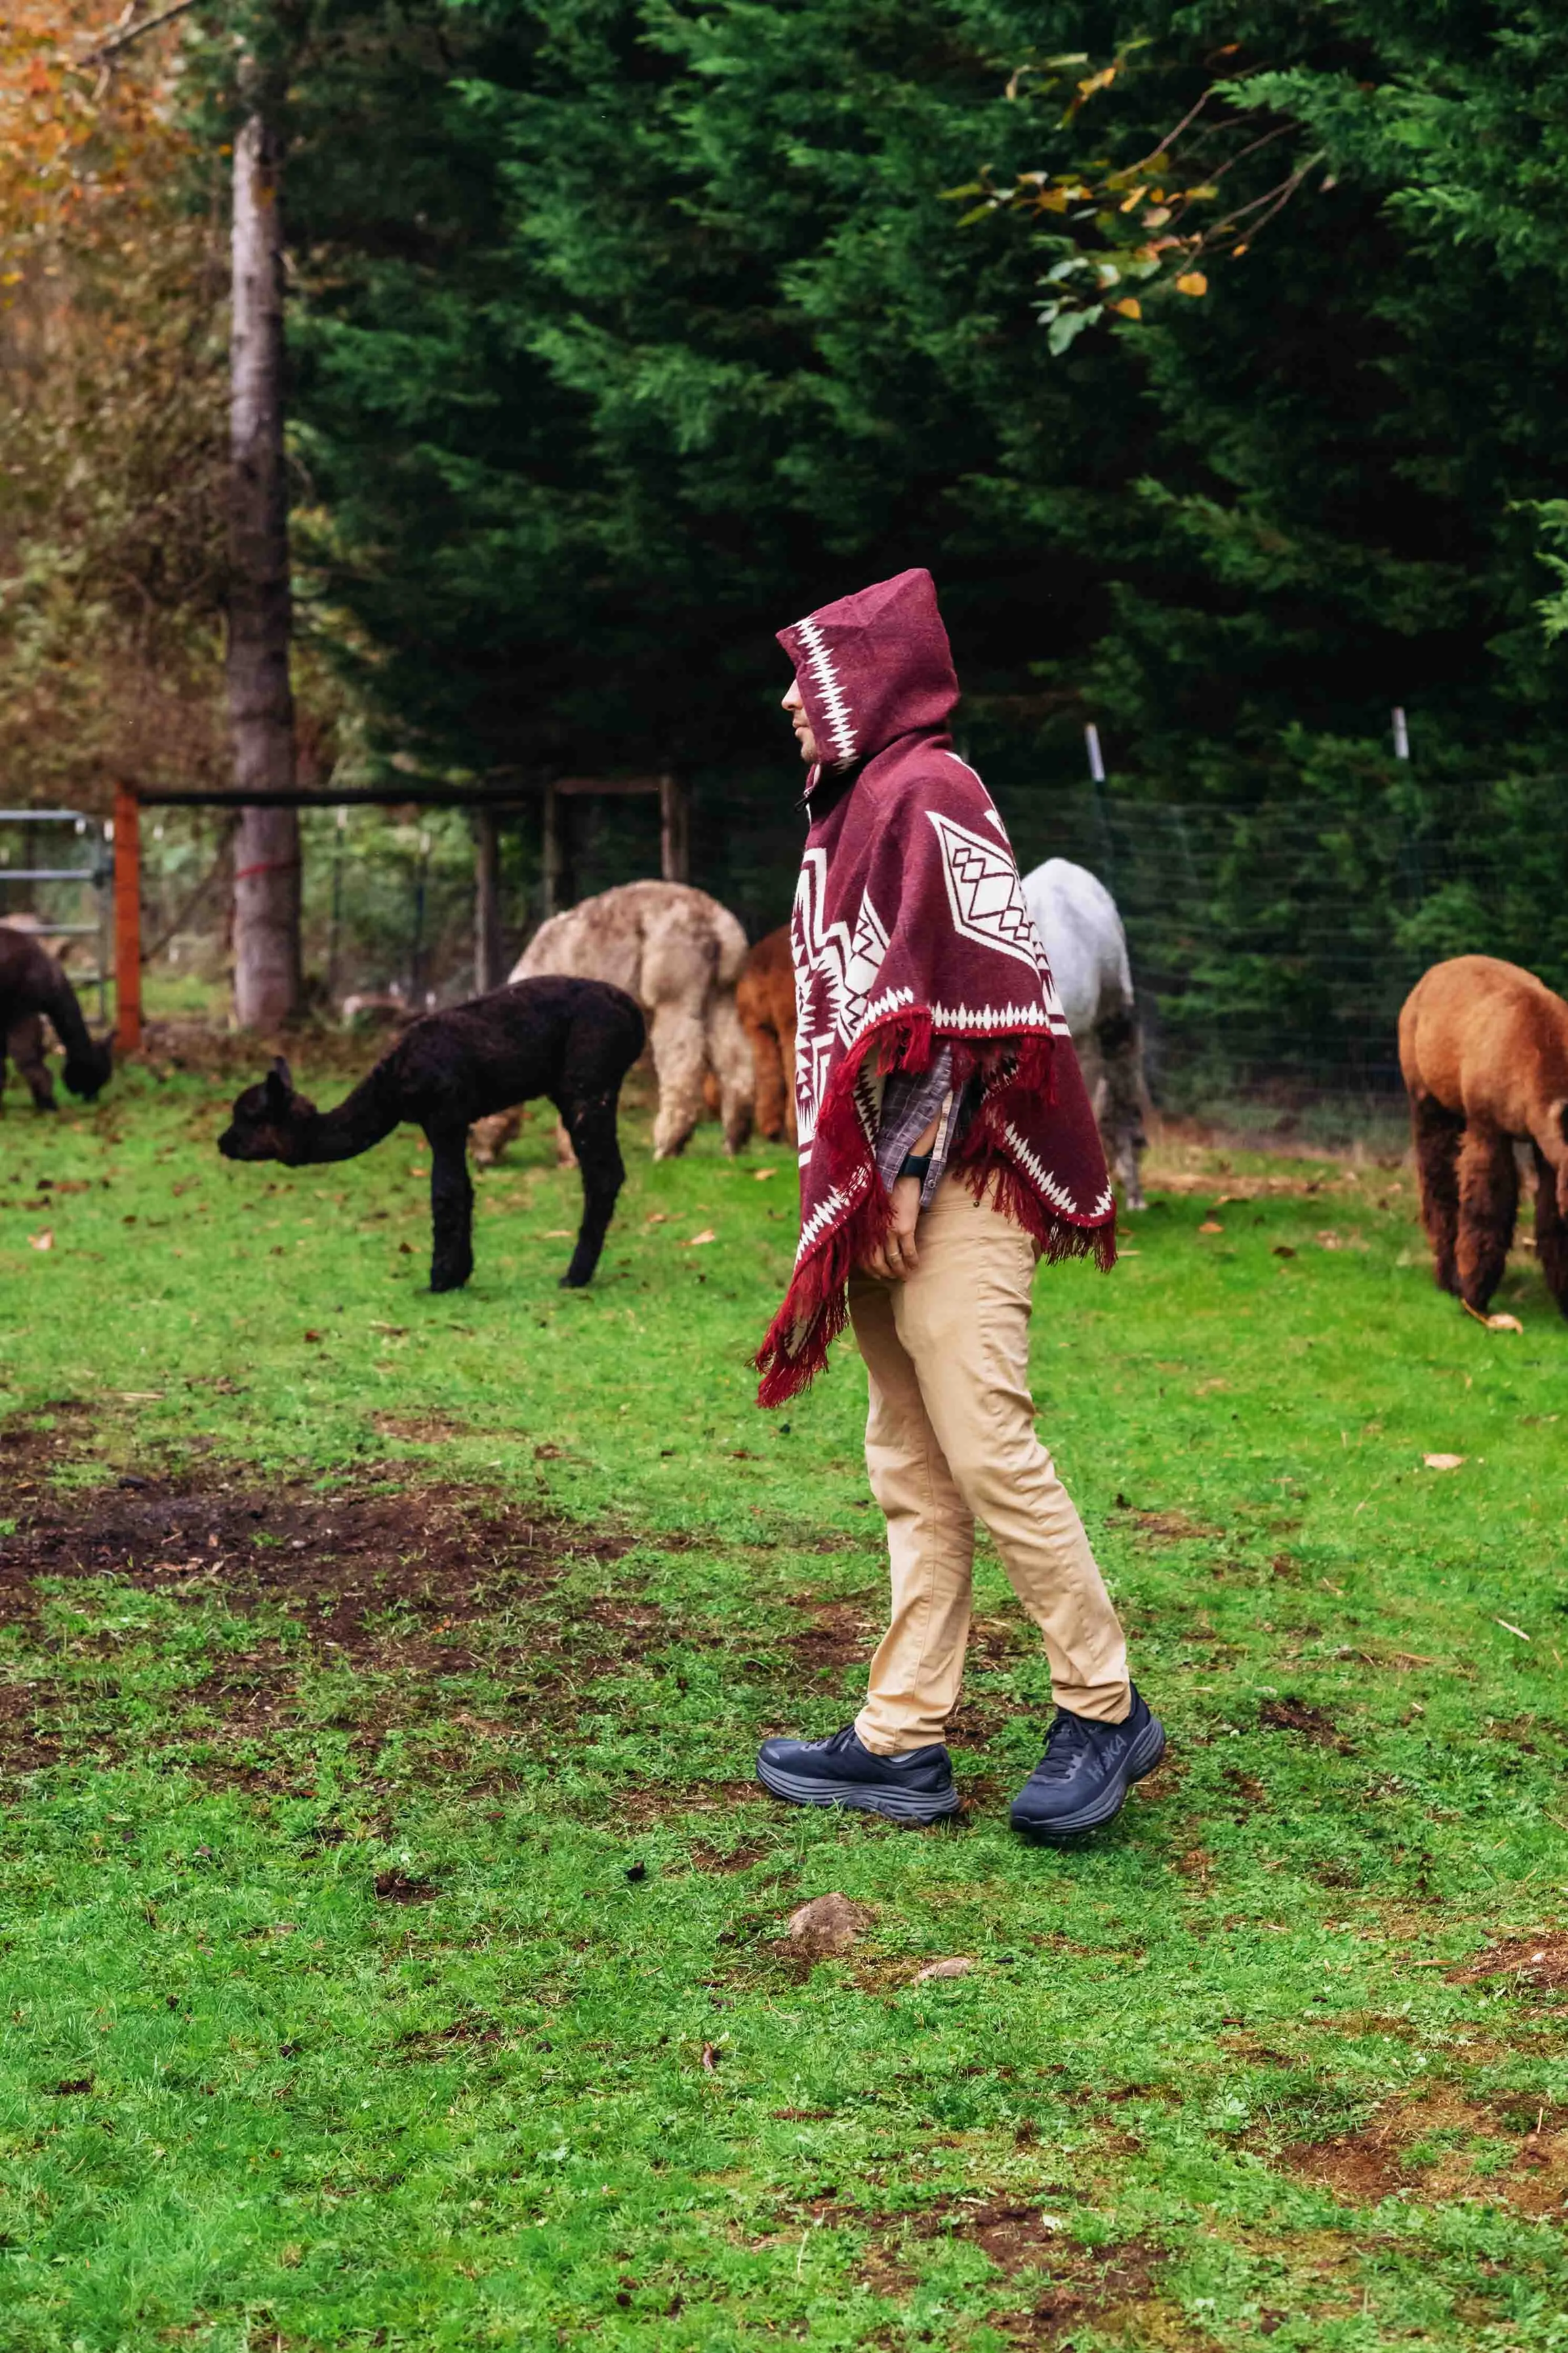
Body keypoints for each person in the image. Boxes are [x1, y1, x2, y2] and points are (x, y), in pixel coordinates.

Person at [753, 568, 1162, 1842]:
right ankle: (901, 1737)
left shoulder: (932, 792)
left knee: (985, 1443)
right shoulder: (852, 812)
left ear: (865, 681)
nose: (787, 699)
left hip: (954, 1182)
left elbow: (969, 1009)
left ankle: (1103, 1705)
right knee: (911, 1464)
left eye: (807, 675)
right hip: (889, 1185)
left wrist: (904, 1179)